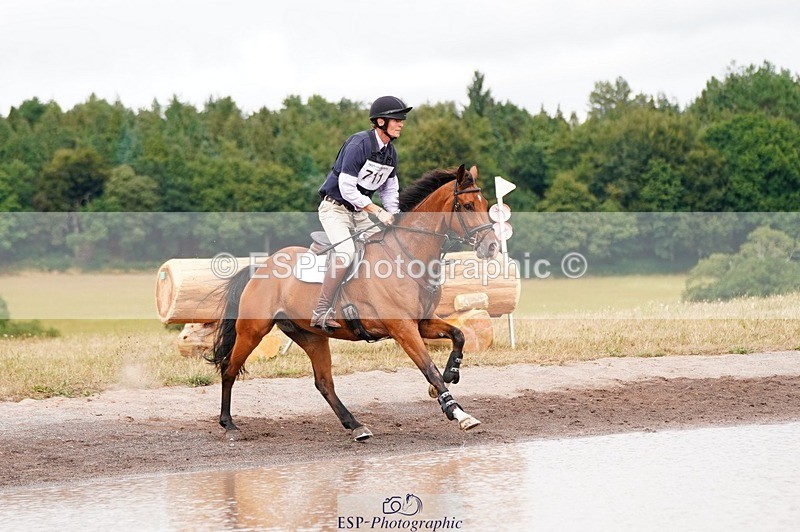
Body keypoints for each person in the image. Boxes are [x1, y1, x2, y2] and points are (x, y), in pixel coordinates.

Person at [311, 96, 413, 330]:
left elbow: (389, 190)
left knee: (387, 247)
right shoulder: (359, 144)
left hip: (358, 213)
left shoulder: (390, 153)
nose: (401, 123)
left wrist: (395, 215)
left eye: (402, 120)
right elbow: (347, 188)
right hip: (335, 209)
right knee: (346, 253)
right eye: (397, 119)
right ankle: (321, 311)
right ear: (380, 121)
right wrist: (378, 211)